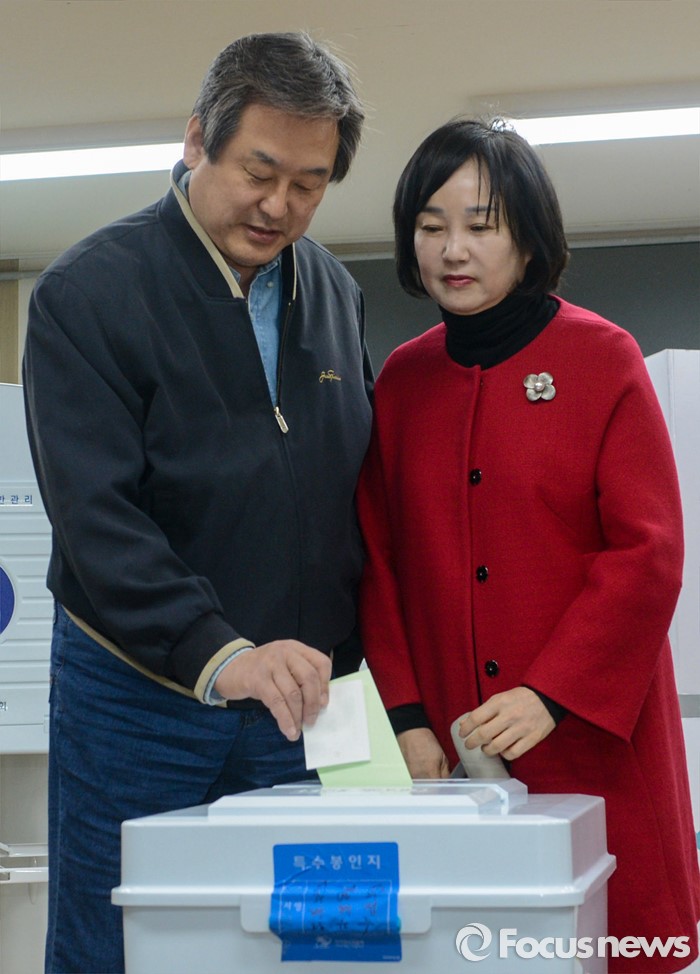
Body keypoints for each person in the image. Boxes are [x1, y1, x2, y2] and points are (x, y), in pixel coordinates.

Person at [23, 32, 373, 974]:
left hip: (306, 697)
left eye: (309, 183)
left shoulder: (333, 291)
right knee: (118, 938)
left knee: (310, 947)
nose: (279, 205)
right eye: (259, 171)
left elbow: (350, 492)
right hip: (138, 693)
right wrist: (222, 653)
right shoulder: (88, 293)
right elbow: (97, 521)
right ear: (195, 139)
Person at [357, 117, 700, 973]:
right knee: (485, 950)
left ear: (529, 238)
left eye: (481, 224)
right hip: (453, 757)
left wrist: (551, 693)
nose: (452, 249)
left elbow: (648, 552)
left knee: (612, 943)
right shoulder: (403, 381)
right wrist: (406, 720)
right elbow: (378, 561)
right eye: (430, 226)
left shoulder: (601, 357)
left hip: (592, 739)